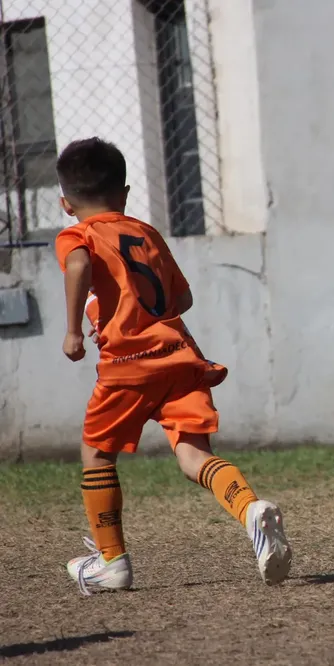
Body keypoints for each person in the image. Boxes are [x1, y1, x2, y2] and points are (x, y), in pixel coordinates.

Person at [54, 137, 292, 594]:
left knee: (96, 454)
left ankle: (112, 561)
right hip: (180, 358)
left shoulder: (76, 235)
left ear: (66, 203)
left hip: (128, 364)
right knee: (193, 456)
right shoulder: (146, 233)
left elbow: (78, 265)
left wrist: (73, 329)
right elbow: (182, 298)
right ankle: (250, 511)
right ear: (124, 194)